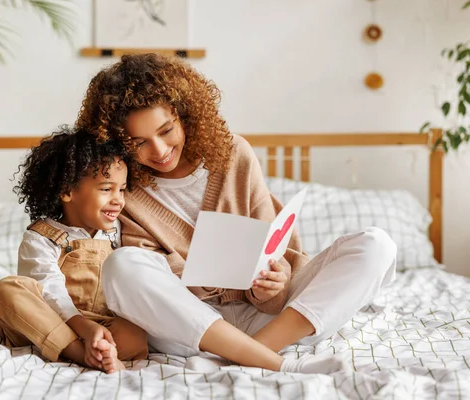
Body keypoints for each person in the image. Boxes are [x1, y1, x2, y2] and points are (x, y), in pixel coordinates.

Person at [75, 53, 397, 373]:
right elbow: (150, 279)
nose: (159, 150)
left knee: (376, 244)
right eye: (138, 142)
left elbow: (273, 253)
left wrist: (275, 280)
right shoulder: (120, 187)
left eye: (166, 130)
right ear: (116, 141)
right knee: (122, 264)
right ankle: (262, 358)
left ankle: (251, 353)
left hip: (277, 317)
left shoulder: (234, 154)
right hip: (191, 329)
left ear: (185, 115)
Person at [0, 127, 148, 374]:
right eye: (106, 189)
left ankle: (97, 349)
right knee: (4, 291)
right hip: (47, 321)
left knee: (136, 332)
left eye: (122, 189)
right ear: (67, 191)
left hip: (98, 323)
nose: (118, 200)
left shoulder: (117, 231)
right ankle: (77, 352)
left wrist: (96, 329)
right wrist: (82, 329)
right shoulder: (41, 237)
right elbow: (50, 290)